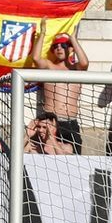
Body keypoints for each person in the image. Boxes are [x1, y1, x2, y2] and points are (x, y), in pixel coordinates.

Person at [28, 20, 90, 153]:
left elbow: (84, 62)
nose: (60, 48)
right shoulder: (50, 67)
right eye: (56, 46)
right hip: (51, 121)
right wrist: (43, 34)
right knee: (48, 158)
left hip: (70, 122)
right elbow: (36, 59)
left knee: (74, 160)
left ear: (71, 48)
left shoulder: (76, 69)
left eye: (63, 45)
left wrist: (73, 39)